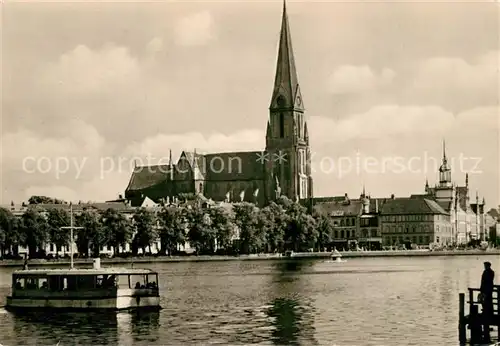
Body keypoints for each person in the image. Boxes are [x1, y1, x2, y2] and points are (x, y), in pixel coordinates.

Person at [480, 261, 495, 339]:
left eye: (486, 265)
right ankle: (487, 311)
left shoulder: (490, 272)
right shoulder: (486, 272)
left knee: (488, 302)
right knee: (485, 302)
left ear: (489, 266)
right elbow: (482, 281)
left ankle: (488, 312)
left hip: (488, 290)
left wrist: (485, 290)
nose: (485, 266)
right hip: (485, 290)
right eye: (484, 265)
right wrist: (481, 289)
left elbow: (488, 282)